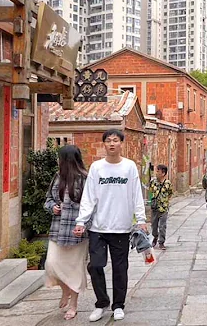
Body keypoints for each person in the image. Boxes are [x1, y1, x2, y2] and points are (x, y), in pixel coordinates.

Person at [73, 129, 147, 322]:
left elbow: (136, 194)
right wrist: (81, 221)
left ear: (121, 143)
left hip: (121, 228)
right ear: (103, 144)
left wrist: (141, 219)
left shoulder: (129, 167)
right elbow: (89, 196)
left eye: (115, 140)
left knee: (120, 268)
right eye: (108, 141)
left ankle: (118, 305)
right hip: (98, 227)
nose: (112, 144)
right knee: (95, 265)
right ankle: (102, 302)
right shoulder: (97, 168)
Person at [43, 145, 88, 321]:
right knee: (51, 264)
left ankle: (74, 305)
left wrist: (84, 224)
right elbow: (47, 200)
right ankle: (65, 290)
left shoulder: (85, 178)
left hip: (77, 232)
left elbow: (91, 205)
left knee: (75, 269)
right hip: (57, 230)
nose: (57, 160)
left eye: (60, 157)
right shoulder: (57, 177)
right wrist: (52, 207)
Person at [149, 164, 173, 250]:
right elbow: (151, 191)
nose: (156, 173)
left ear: (163, 173)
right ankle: (155, 236)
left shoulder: (168, 183)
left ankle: (161, 242)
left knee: (162, 226)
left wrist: (165, 201)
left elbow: (170, 193)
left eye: (158, 171)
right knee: (154, 226)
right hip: (155, 208)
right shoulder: (153, 182)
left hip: (164, 208)